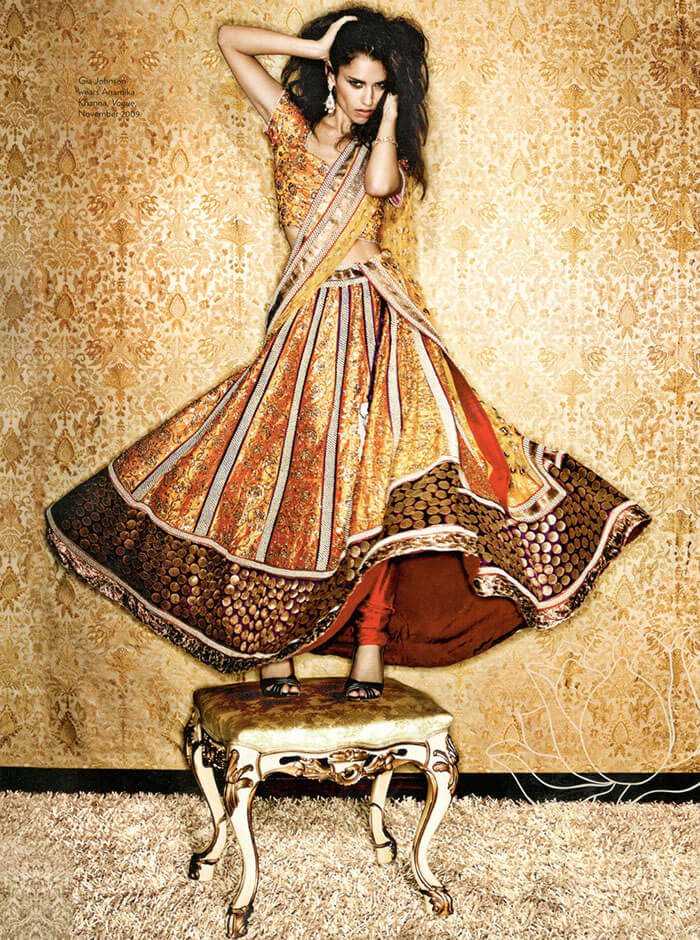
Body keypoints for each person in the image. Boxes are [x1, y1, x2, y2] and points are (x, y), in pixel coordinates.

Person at [44, 7, 652, 702]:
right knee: (283, 483)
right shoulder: (289, 130)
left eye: (378, 86)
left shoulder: (379, 149)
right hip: (308, 331)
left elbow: (380, 187)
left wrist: (388, 121)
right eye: (356, 82)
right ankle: (271, 648)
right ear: (332, 77)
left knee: (379, 493)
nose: (365, 97)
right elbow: (229, 41)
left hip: (377, 331)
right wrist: (315, 45)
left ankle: (370, 646)